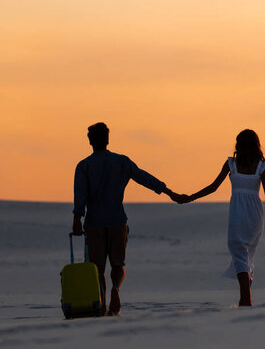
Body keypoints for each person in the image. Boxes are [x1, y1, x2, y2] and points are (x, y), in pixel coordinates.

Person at [72, 122, 184, 316]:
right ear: (107, 139)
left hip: (94, 223)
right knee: (118, 265)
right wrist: (168, 192)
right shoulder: (121, 162)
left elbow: (80, 195)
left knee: (96, 269)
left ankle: (102, 305)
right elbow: (144, 178)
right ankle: (116, 288)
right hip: (117, 221)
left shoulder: (84, 166)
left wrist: (76, 219)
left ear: (90, 141)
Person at [181, 129, 265, 306]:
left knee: (240, 252)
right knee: (246, 256)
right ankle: (246, 298)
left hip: (239, 214)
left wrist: (191, 197)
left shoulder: (245, 165)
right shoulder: (245, 164)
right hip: (256, 215)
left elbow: (213, 187)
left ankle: (245, 300)